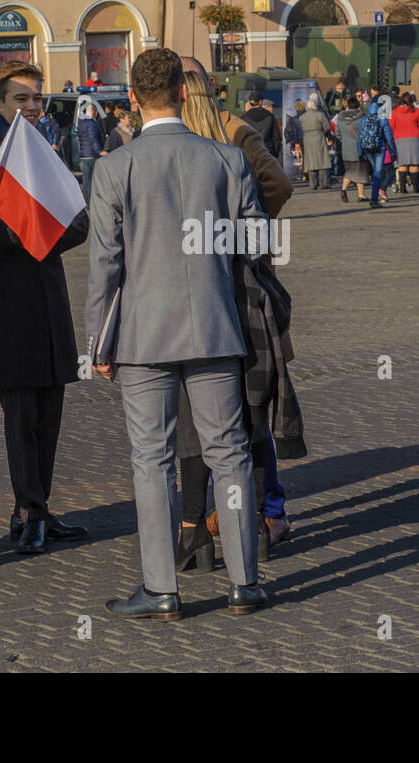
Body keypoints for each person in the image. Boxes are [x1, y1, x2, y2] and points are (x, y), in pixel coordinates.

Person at [87, 48, 268, 619]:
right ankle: (244, 580)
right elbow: (258, 242)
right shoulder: (224, 159)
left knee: (152, 459)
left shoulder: (115, 167)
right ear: (185, 94)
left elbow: (105, 265)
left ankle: (162, 587)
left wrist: (98, 341)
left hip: (143, 333)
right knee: (229, 452)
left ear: (133, 100)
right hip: (214, 324)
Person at [0, 61, 90, 554]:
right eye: (22, 100)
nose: (33, 107)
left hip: (49, 294)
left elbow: (79, 224)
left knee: (50, 407)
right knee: (19, 411)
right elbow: (9, 236)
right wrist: (44, 232)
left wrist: (43, 233)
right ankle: (28, 509)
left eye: (37, 98)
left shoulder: (51, 155)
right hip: (8, 299)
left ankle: (39, 506)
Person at [174, 68, 297, 567]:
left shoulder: (215, 134)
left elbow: (277, 184)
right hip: (243, 284)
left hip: (192, 289)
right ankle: (261, 521)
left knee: (193, 414)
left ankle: (197, 525)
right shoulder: (231, 133)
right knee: (250, 408)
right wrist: (244, 232)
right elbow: (277, 185)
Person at [360, 94, 398, 208]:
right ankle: (374, 199)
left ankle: (375, 195)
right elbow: (389, 137)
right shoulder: (382, 119)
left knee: (376, 172)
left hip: (367, 148)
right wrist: (393, 150)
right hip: (379, 149)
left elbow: (359, 137)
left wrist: (360, 151)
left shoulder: (364, 119)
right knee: (377, 173)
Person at [389, 92, 419, 193]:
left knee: (402, 164)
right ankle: (415, 188)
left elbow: (391, 127)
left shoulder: (395, 112)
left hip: (399, 139)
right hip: (414, 139)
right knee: (414, 164)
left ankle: (402, 188)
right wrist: (418, 132)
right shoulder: (416, 111)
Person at [75, 96, 106, 204]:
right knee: (91, 181)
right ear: (94, 112)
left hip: (84, 154)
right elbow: (93, 138)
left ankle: (87, 201)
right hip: (92, 155)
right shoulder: (92, 123)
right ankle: (90, 202)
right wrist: (99, 151)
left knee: (86, 180)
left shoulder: (81, 122)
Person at [298, 94, 332, 190]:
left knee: (311, 162)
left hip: (307, 139)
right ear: (315, 106)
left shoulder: (302, 117)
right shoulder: (320, 115)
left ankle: (313, 184)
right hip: (319, 137)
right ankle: (323, 184)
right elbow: (327, 127)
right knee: (322, 161)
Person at [242, 92, 280, 163]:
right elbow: (276, 138)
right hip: (268, 153)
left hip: (250, 155)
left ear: (249, 102)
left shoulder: (244, 118)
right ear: (260, 102)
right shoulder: (270, 116)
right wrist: (275, 154)